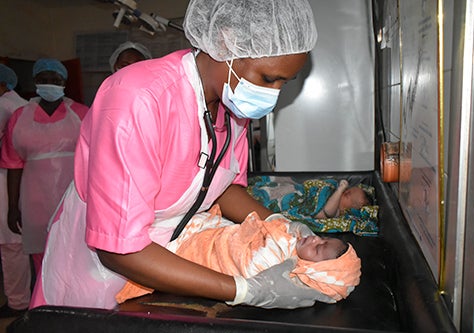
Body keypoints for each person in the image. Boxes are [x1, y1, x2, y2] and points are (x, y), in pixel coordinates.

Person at [31, 0, 330, 310]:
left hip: (171, 261)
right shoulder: (138, 99)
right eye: (268, 79)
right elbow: (118, 248)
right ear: (226, 42)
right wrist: (244, 290)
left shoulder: (233, 109)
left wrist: (283, 225)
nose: (273, 94)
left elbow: (221, 186)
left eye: (284, 82)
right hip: (100, 271)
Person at [116, 205, 361, 304]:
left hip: (192, 247)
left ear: (313, 271)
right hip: (209, 229)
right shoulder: (293, 241)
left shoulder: (274, 262)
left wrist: (278, 233)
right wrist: (283, 224)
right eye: (323, 237)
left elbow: (247, 264)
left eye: (319, 248)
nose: (316, 238)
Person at [0, 59, 89, 278]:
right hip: (34, 200)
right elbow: (13, 164)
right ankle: (44, 304)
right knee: (41, 254)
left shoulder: (82, 113)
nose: (50, 84)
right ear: (35, 81)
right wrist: (12, 206)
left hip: (73, 195)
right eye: (43, 80)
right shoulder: (20, 117)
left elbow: (95, 158)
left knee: (75, 251)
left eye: (55, 80)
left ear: (64, 82)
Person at [0, 64, 31, 317]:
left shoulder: (7, 106)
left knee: (11, 245)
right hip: (18, 180)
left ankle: (17, 302)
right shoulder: (20, 106)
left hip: (8, 180)